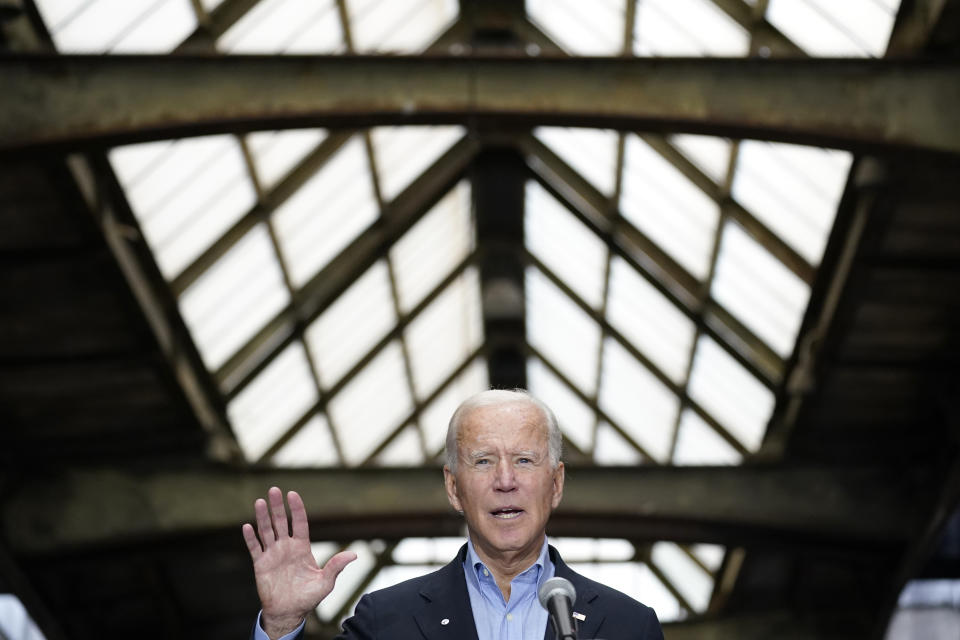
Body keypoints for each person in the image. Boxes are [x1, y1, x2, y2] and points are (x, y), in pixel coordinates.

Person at [244, 389, 664, 640]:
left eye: (523, 460)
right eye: (482, 461)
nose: (504, 480)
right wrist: (280, 626)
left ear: (555, 484)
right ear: (452, 487)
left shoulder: (630, 626)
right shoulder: (386, 622)